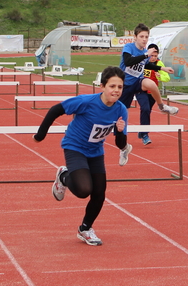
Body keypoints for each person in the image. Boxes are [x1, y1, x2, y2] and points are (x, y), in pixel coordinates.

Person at [33, 66, 131, 247]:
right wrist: (40, 135)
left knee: (99, 194)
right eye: (112, 86)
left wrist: (120, 132)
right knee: (83, 190)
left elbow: (119, 144)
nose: (116, 91)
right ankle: (64, 176)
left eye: (120, 87)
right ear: (102, 86)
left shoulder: (121, 110)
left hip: (96, 152)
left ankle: (85, 228)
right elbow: (56, 109)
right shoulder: (86, 102)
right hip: (75, 146)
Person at [119, 24, 179, 126]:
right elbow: (128, 61)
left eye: (146, 37)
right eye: (141, 36)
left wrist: (162, 68)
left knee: (150, 84)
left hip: (138, 82)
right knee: (121, 115)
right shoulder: (129, 47)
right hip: (125, 84)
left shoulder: (145, 52)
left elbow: (147, 64)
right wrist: (146, 55)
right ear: (135, 37)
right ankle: (122, 141)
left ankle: (162, 107)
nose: (144, 39)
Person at [138, 44, 171, 145]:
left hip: (153, 93)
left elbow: (167, 78)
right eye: (151, 55)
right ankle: (145, 135)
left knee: (147, 111)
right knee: (145, 109)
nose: (153, 58)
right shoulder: (142, 61)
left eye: (155, 56)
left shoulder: (159, 64)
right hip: (141, 90)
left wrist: (159, 76)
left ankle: (142, 130)